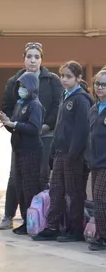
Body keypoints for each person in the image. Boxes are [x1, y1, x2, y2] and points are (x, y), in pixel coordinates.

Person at [0, 42, 64, 230]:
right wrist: (16, 128)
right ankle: (9, 216)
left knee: (41, 176)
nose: (33, 60)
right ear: (24, 59)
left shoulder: (52, 80)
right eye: (29, 56)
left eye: (37, 57)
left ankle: (41, 216)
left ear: (42, 59)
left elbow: (57, 106)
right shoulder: (14, 81)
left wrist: (45, 126)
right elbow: (7, 108)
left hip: (46, 135)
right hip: (22, 137)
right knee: (15, 176)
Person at [32, 61, 92, 242]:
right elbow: (59, 128)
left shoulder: (81, 99)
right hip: (60, 152)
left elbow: (82, 131)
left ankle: (75, 229)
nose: (64, 80)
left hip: (74, 155)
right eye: (62, 76)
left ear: (78, 78)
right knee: (56, 190)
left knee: (74, 192)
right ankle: (53, 226)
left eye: (69, 76)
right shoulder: (65, 96)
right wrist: (53, 150)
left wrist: (73, 154)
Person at [0, 72, 44, 235]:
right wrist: (7, 122)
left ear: (32, 86)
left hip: (30, 151)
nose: (21, 89)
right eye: (20, 86)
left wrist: (15, 124)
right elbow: (15, 126)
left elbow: (34, 128)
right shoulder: (20, 103)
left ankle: (32, 222)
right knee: (20, 188)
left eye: (24, 86)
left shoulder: (35, 105)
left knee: (29, 188)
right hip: (19, 150)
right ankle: (26, 220)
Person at [86, 69, 106, 251]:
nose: (100, 87)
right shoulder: (93, 109)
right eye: (98, 84)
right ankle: (100, 234)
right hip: (95, 162)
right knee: (97, 200)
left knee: (100, 198)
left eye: (104, 85)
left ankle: (104, 237)